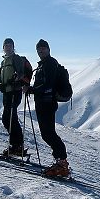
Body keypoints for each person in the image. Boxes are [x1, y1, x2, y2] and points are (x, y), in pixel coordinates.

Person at [26, 38, 70, 177]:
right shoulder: (44, 64)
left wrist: (31, 89)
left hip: (47, 102)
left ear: (48, 49)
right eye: (39, 49)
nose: (41, 50)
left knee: (48, 133)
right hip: (43, 102)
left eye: (43, 48)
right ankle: (60, 161)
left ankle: (62, 163)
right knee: (47, 133)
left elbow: (47, 84)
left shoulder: (50, 63)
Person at [0, 38, 29, 156]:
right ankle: (16, 145)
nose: (8, 47)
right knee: (9, 118)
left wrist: (17, 78)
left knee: (9, 118)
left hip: (14, 92)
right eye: (6, 45)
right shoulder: (4, 62)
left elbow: (21, 73)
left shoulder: (16, 59)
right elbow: (1, 78)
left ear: (13, 47)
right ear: (3, 47)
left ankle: (17, 145)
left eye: (10, 45)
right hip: (6, 92)